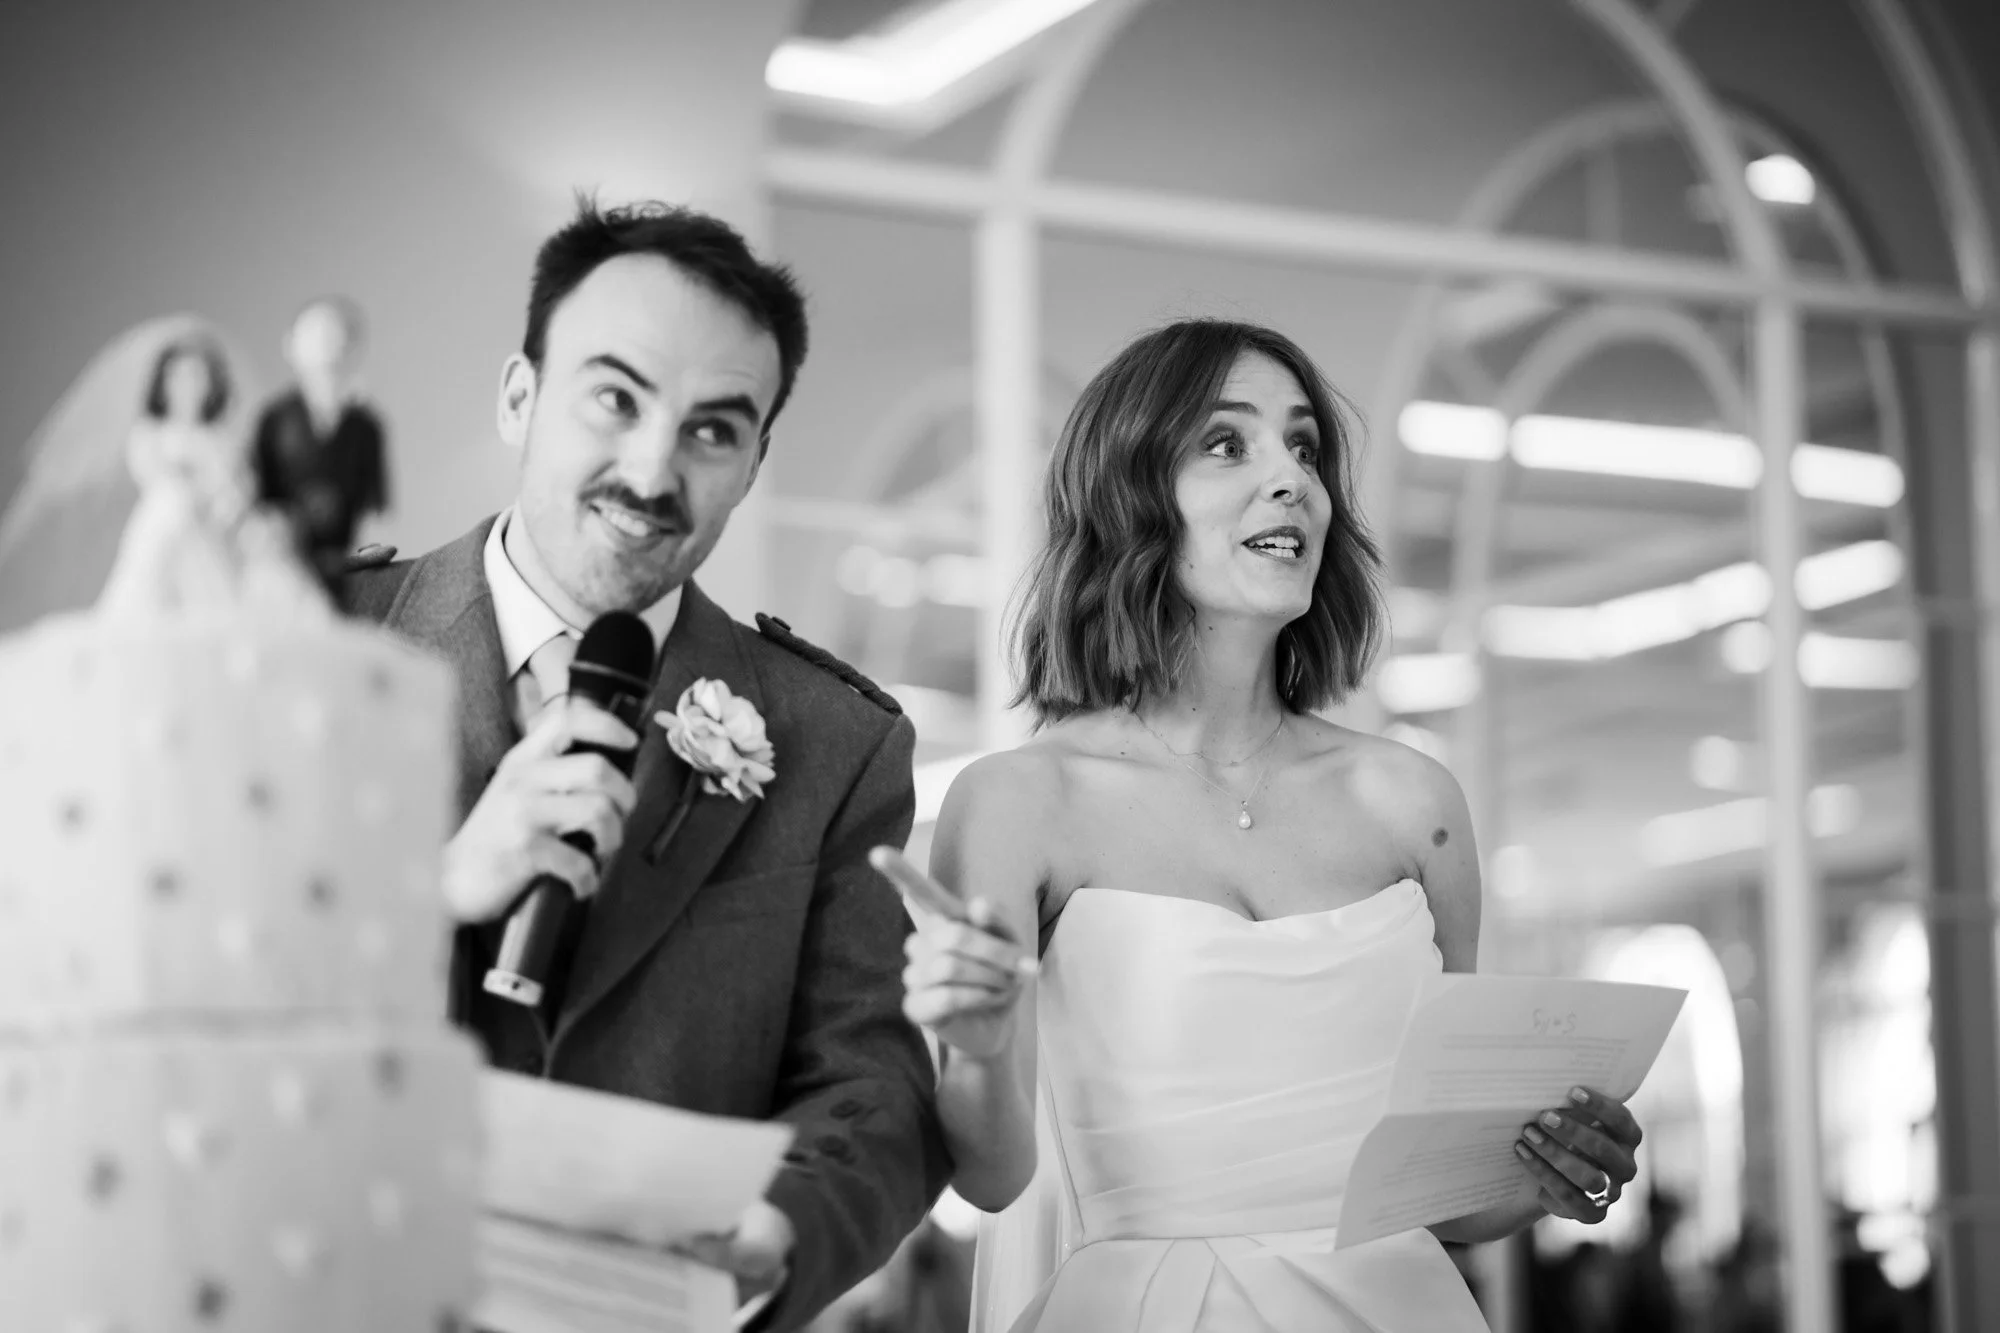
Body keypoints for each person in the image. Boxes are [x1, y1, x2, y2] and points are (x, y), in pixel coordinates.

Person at [886, 320, 1646, 1331]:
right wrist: (975, 1051)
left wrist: (1548, 1171)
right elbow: (988, 1176)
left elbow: (1451, 1196)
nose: (1289, 477)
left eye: (1304, 446)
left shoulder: (1411, 803)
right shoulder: (1018, 803)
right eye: (1225, 443)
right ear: (1128, 496)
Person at [342, 200, 949, 1331]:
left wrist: (780, 1231)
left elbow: (871, 1091)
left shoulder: (836, 740)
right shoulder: (315, 641)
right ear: (520, 395)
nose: (653, 468)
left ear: (756, 461)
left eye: (715, 430)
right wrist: (426, 898)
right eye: (615, 398)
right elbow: (149, 994)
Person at [97, 335, 249, 616]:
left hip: (210, 537)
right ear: (163, 384)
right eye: (178, 376)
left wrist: (220, 507)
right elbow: (158, 483)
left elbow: (233, 497)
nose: (187, 386)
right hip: (163, 535)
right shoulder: (150, 436)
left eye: (196, 376)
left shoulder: (221, 442)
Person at [253, 295, 390, 593]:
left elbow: (375, 509)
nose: (325, 343)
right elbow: (260, 501)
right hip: (284, 566)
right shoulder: (275, 420)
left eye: (334, 333)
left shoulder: (367, 426)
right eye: (314, 333)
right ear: (291, 344)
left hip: (349, 565)